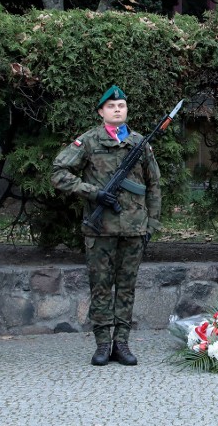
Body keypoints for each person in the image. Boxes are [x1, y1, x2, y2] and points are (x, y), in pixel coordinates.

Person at [51, 85, 161, 366]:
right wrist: (92, 192)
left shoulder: (140, 143)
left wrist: (151, 224)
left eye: (122, 106)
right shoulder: (88, 142)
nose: (117, 110)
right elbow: (59, 173)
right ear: (101, 112)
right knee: (100, 287)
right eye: (111, 106)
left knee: (126, 287)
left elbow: (153, 185)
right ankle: (102, 344)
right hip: (100, 229)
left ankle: (121, 343)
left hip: (134, 229)